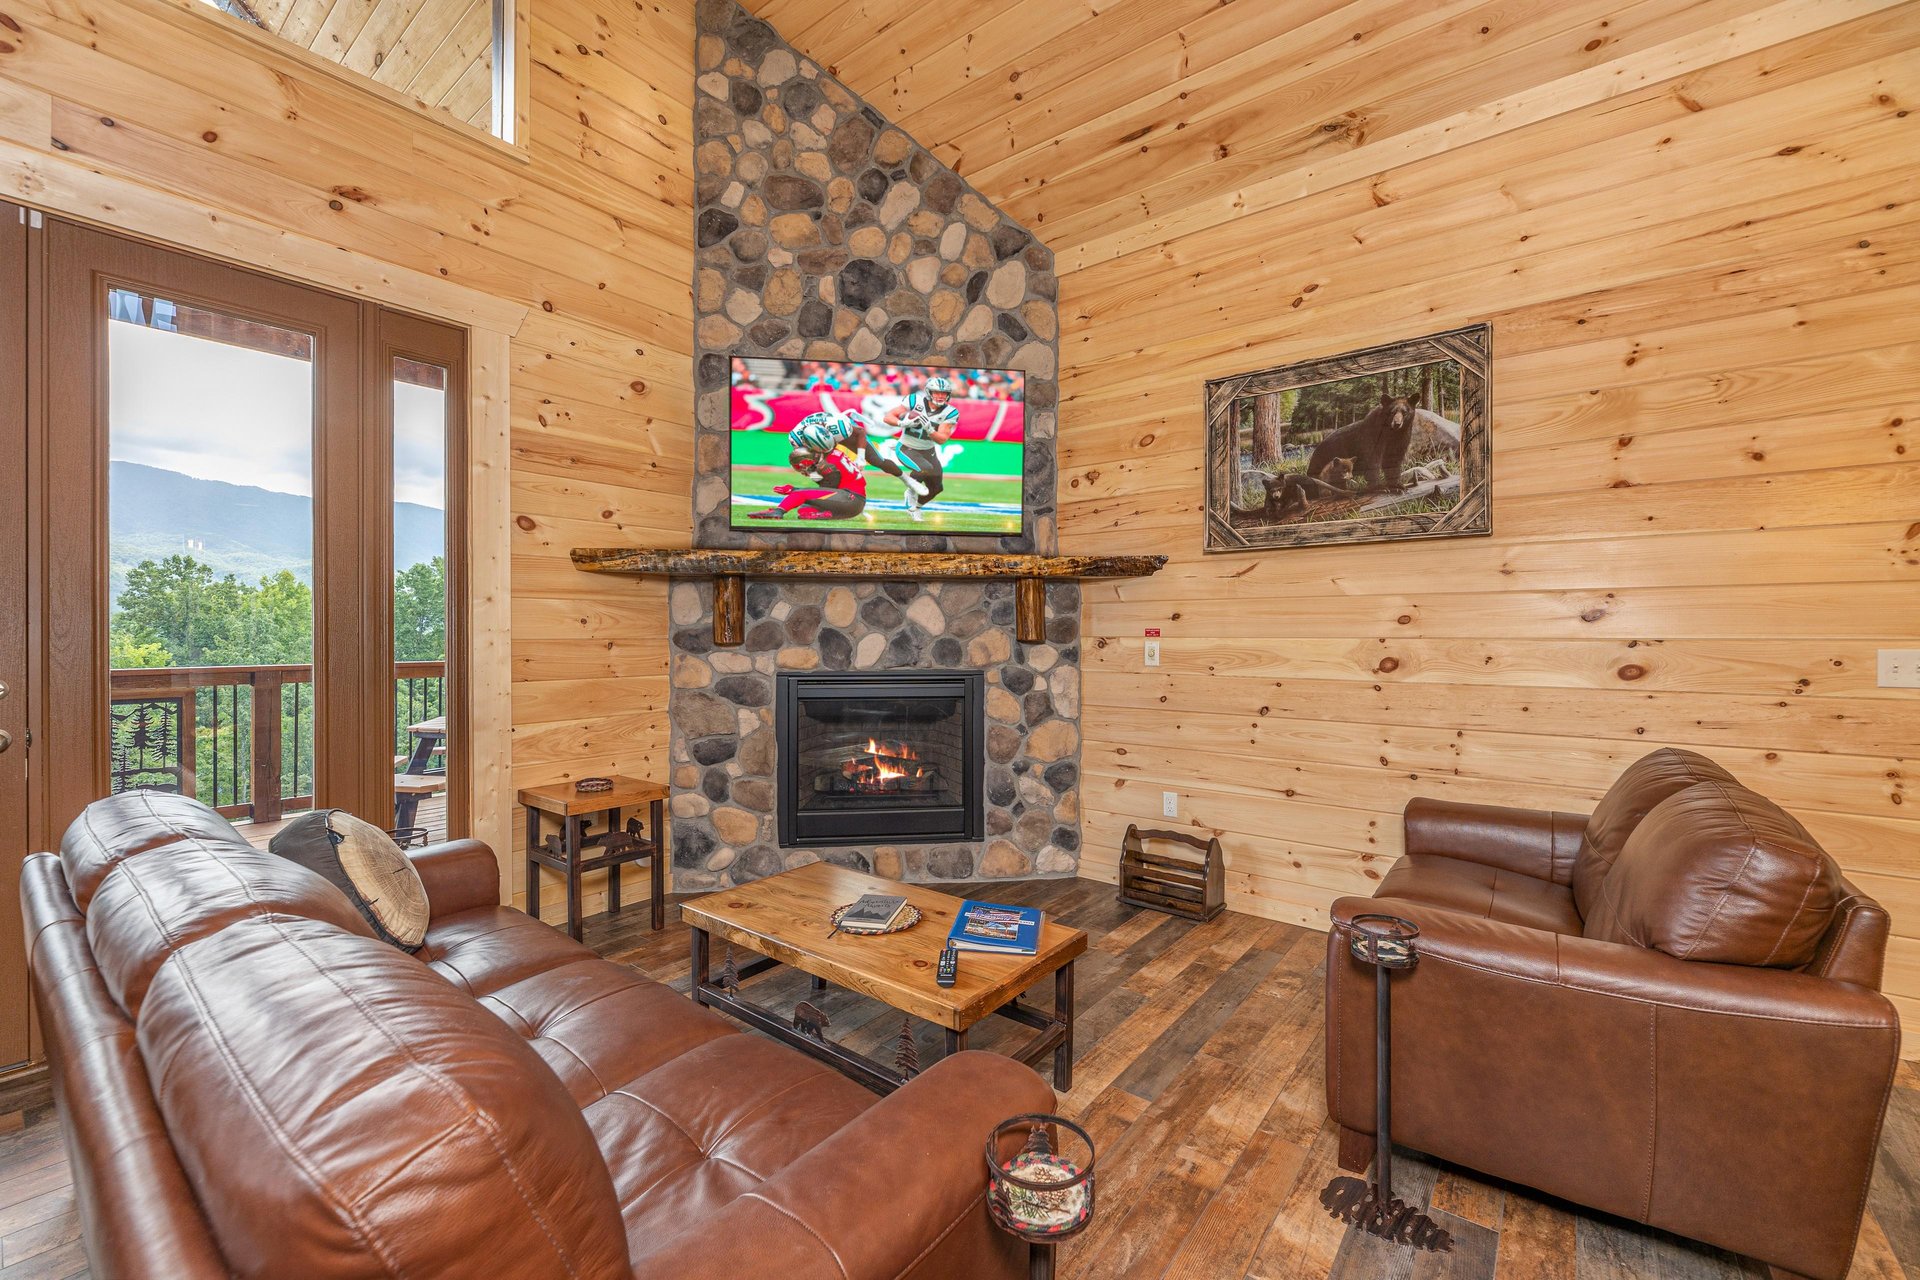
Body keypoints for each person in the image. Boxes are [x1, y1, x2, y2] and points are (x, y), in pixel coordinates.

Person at [749, 420, 867, 521]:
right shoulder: (834, 453)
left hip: (850, 498)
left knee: (800, 495)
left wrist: (794, 489)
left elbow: (829, 488)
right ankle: (827, 514)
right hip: (851, 502)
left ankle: (777, 511)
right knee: (805, 509)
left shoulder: (827, 465)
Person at [879, 375, 960, 517]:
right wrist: (902, 423)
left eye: (944, 393)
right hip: (906, 447)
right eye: (937, 392)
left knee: (936, 488)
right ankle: (911, 490)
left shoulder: (950, 412)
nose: (940, 396)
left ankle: (915, 508)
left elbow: (942, 440)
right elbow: (888, 417)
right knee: (925, 468)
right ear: (929, 392)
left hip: (928, 451)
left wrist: (930, 430)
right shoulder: (915, 400)